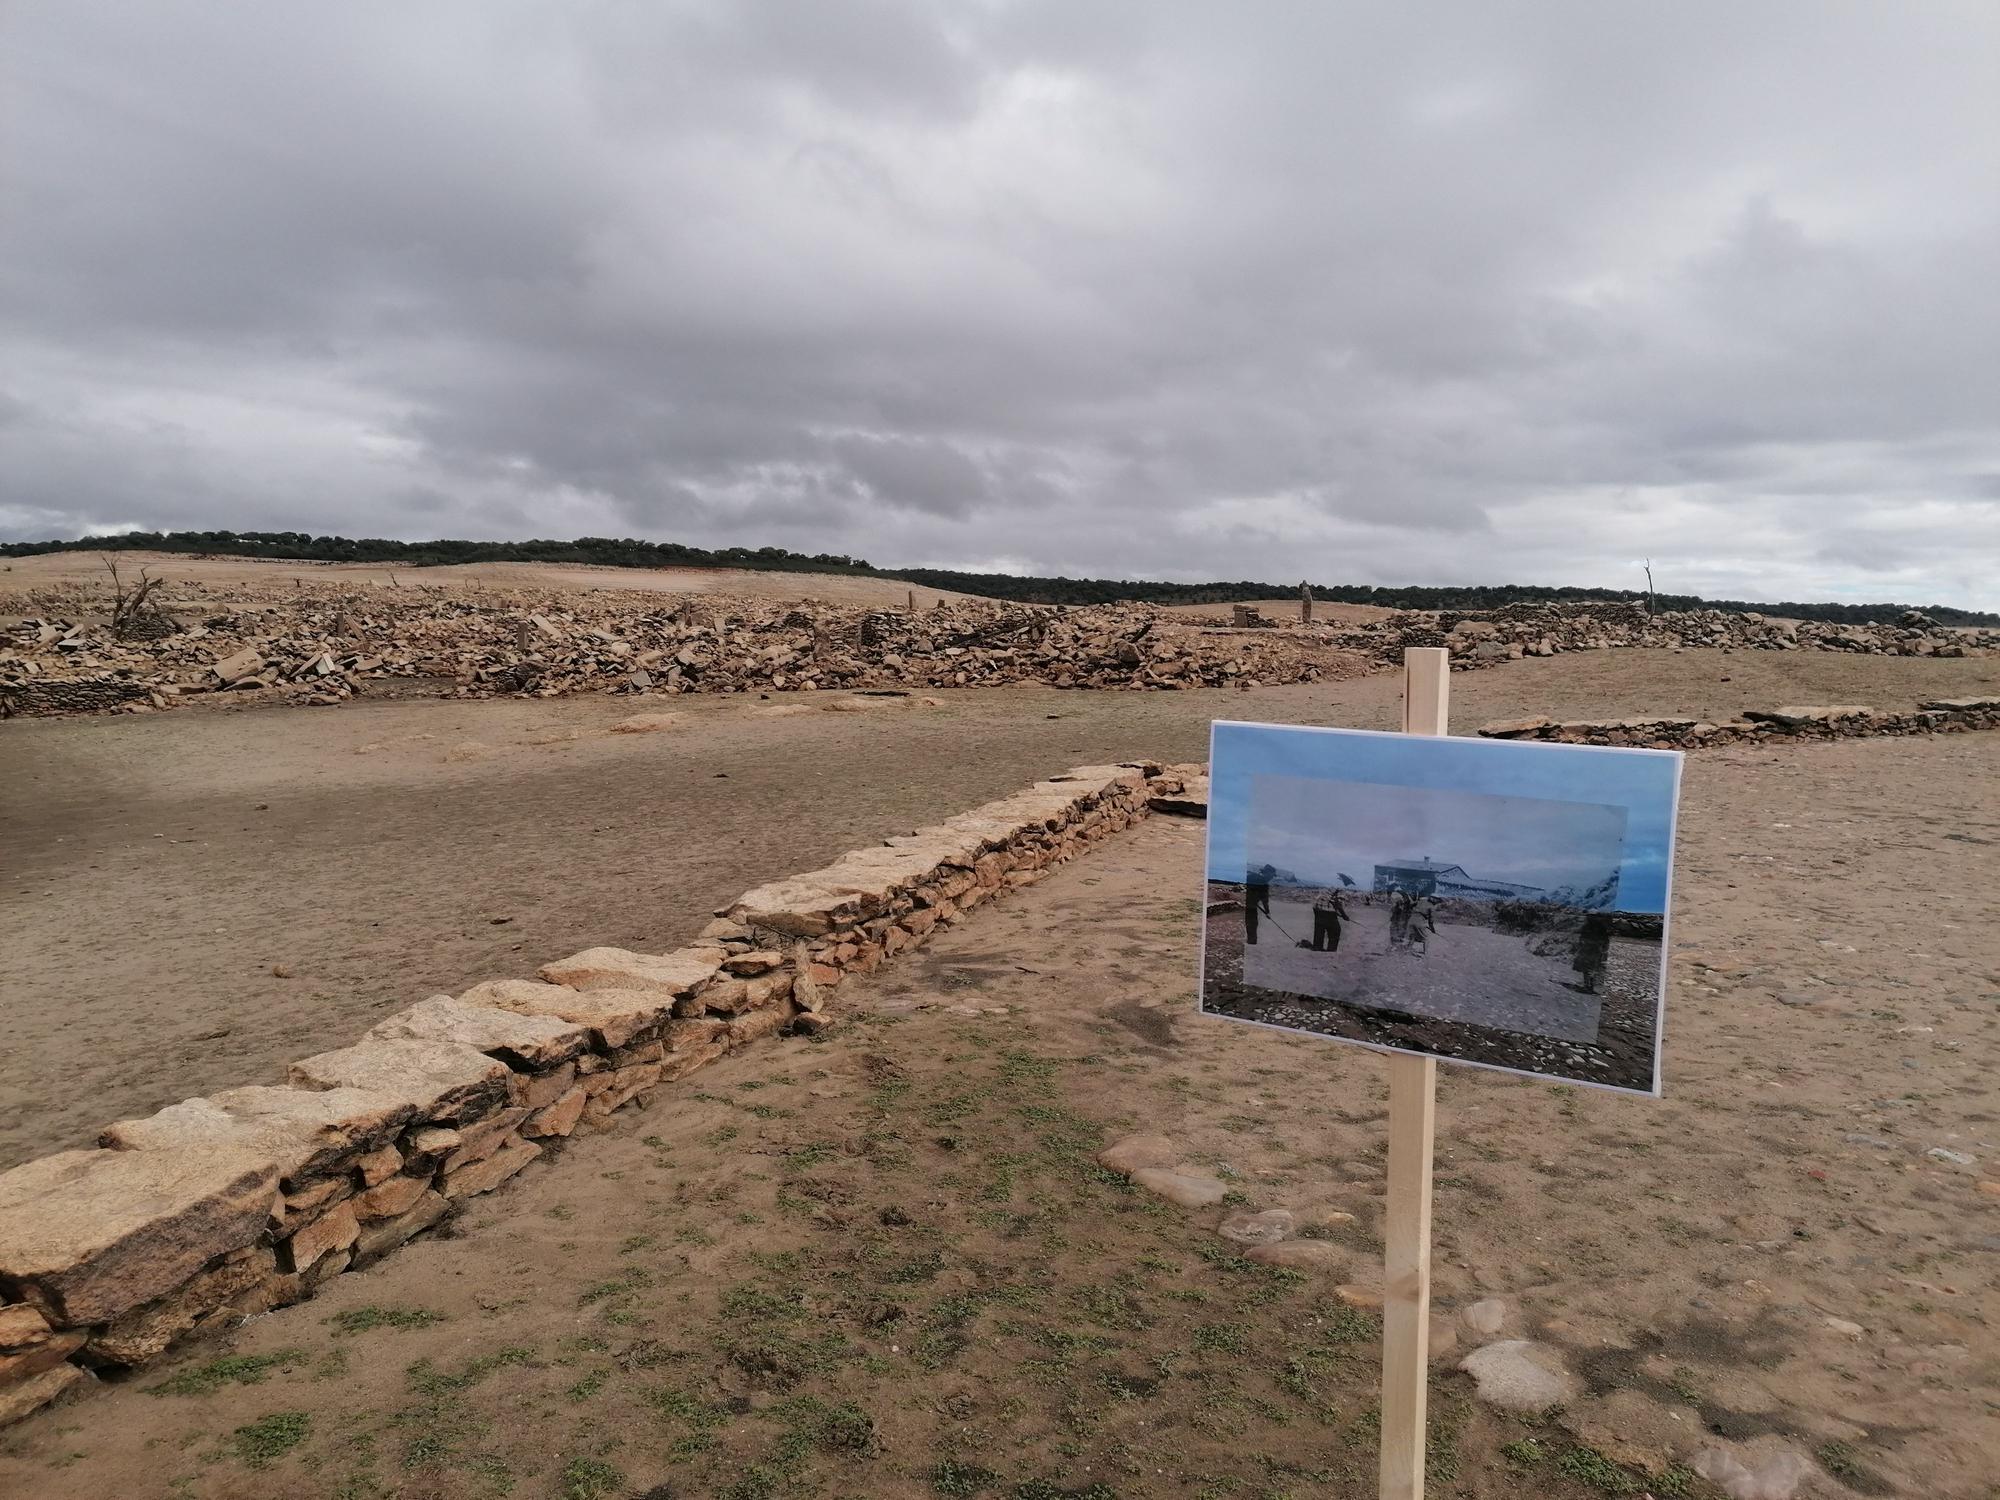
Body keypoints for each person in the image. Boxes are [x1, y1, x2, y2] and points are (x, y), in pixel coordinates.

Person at [1573, 913, 1612, 993]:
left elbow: (1582, 939)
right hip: (1595, 950)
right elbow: (1605, 940)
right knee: (1591, 969)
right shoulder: (1601, 927)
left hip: (1589, 950)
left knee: (1587, 969)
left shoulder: (1588, 926)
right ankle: (1590, 986)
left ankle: (1588, 986)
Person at [1244, 863, 1274, 945]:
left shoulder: (1251, 876)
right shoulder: (1264, 883)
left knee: (1247, 922)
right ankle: (1251, 942)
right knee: (1253, 924)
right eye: (1271, 876)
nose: (1271, 878)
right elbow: (1265, 900)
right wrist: (1267, 912)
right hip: (1250, 907)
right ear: (1267, 873)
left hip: (1244, 903)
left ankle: (1250, 941)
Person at [1311, 887, 1347, 952]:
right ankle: (1331, 950)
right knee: (1335, 931)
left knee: (1319, 931)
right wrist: (1344, 916)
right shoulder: (1340, 887)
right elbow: (1337, 904)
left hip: (1317, 909)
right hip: (1328, 912)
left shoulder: (1326, 884)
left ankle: (1317, 947)